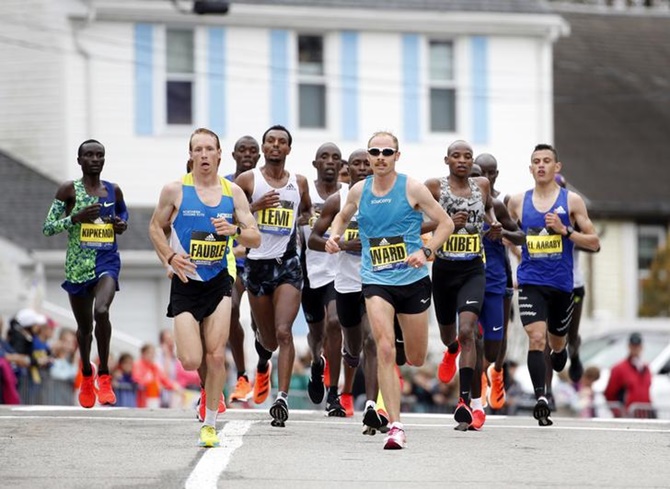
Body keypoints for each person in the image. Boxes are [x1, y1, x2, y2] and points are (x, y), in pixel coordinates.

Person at [325, 131, 453, 449]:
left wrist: (426, 251)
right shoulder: (359, 190)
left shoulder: (412, 187)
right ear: (368, 157)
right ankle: (395, 425)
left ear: (397, 155)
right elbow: (342, 216)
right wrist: (334, 236)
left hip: (412, 280)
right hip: (375, 279)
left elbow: (446, 223)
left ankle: (402, 344)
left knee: (416, 356)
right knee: (383, 349)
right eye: (374, 151)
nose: (380, 156)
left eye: (386, 151)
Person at [148, 127, 260, 447]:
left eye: (210, 149)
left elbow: (255, 237)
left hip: (218, 281)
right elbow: (155, 226)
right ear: (191, 155)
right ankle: (206, 393)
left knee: (214, 355)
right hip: (185, 282)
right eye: (198, 149)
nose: (204, 155)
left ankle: (210, 423)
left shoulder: (233, 192)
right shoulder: (175, 190)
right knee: (190, 360)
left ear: (220, 154)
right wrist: (169, 256)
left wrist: (234, 229)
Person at [507, 143, 600, 426]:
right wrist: (517, 252)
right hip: (531, 282)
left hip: (562, 285)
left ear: (556, 167)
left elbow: (594, 242)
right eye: (536, 161)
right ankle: (541, 397)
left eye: (547, 161)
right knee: (537, 339)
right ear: (531, 167)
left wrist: (565, 231)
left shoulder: (571, 201)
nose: (541, 165)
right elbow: (508, 234)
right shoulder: (517, 202)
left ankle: (561, 352)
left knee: (556, 343)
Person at [42, 139, 129, 408]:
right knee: (84, 329)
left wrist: (120, 225)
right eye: (88, 155)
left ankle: (104, 374)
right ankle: (87, 374)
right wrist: (75, 218)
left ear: (104, 159)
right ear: (79, 160)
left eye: (99, 155)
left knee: (101, 311)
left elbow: (123, 219)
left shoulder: (113, 191)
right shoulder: (69, 190)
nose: (94, 159)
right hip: (78, 267)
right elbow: (48, 227)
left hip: (106, 261)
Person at [235, 125, 312, 427]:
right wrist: (255, 207)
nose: (276, 146)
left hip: (288, 263)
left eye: (282, 142)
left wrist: (298, 221)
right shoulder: (247, 180)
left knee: (284, 332)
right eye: (271, 141)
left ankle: (281, 398)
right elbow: (231, 215)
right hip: (256, 265)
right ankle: (260, 347)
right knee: (268, 340)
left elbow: (305, 212)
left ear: (289, 149)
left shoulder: (299, 182)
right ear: (263, 148)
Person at [425, 141, 501, 431]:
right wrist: (444, 226)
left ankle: (464, 402)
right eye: (456, 156)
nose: (462, 160)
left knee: (468, 331)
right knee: (450, 337)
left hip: (472, 269)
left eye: (467, 156)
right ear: (447, 160)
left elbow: (490, 208)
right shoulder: (434, 187)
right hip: (444, 271)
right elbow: (415, 220)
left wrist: (493, 225)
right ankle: (451, 349)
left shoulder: (481, 185)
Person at [309, 149, 385, 429]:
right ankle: (346, 363)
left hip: (377, 280)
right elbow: (314, 239)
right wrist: (341, 244)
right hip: (346, 283)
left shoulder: (386, 198)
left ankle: (371, 405)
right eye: (357, 163)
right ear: (348, 168)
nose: (364, 167)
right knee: (353, 347)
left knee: (372, 341)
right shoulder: (337, 200)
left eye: (368, 163)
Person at [474, 153, 525, 411]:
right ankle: (479, 377)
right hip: (470, 274)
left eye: (490, 172)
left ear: (496, 174)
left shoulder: (499, 203)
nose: (486, 176)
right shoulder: (463, 200)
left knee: (499, 334)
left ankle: (496, 370)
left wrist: (501, 233)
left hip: (499, 273)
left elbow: (520, 236)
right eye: (480, 171)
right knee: (472, 333)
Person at [300, 142, 347, 416]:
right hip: (309, 272)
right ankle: (317, 364)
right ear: (315, 163)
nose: (330, 161)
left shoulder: (347, 195)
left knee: (334, 322)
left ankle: (333, 394)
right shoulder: (306, 193)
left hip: (337, 271)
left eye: (336, 158)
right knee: (317, 335)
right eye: (324, 157)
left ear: (342, 166)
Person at [225, 135, 261, 404]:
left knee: (262, 325)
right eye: (242, 150)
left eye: (252, 151)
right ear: (233, 154)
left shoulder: (265, 184)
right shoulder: (223, 185)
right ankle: (241, 376)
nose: (247, 154)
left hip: (262, 261)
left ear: (258, 157)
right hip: (233, 262)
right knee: (231, 310)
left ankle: (263, 365)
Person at [604, 332, 654, 418]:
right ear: (629, 347)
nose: (635, 349)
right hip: (627, 416)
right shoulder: (618, 369)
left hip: (644, 416)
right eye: (633, 346)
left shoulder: (645, 368)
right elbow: (609, 393)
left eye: (637, 346)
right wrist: (618, 413)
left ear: (641, 347)